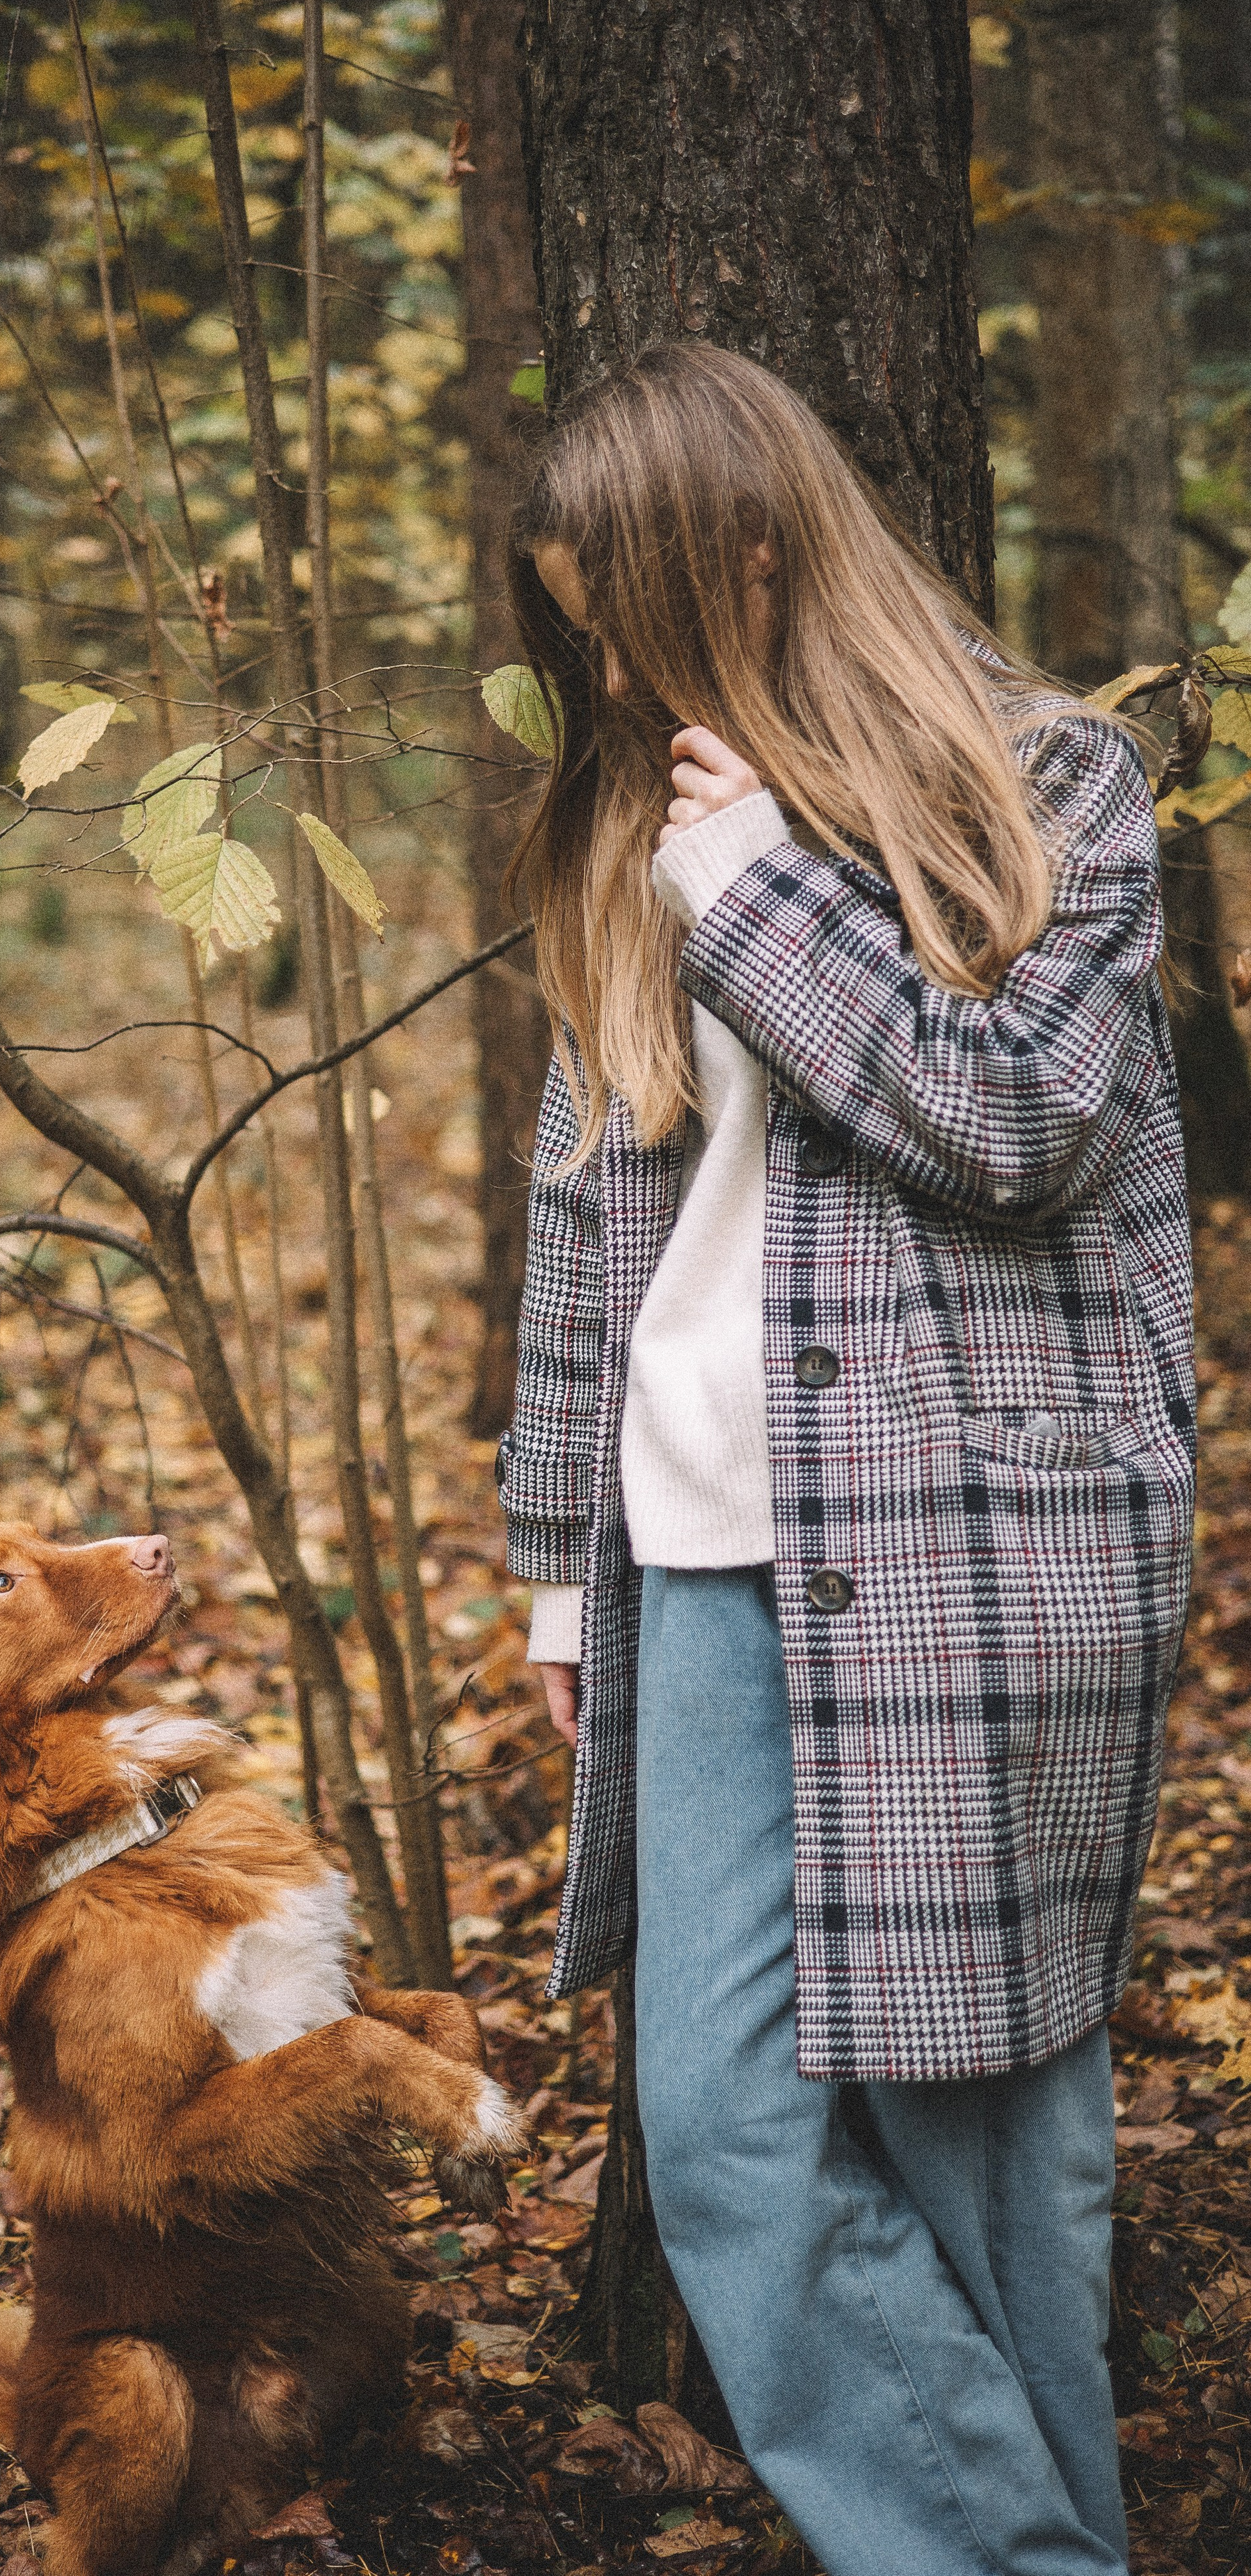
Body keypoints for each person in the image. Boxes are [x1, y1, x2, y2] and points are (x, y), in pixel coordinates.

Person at [493, 342, 1194, 2576]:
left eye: (631, 622)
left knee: (993, 2154)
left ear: (757, 557)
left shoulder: (1051, 783)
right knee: (720, 2135)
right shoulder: (640, 823)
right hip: (700, 1547)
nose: (612, 678)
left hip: (986, 1539)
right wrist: (555, 1561)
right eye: (582, 634)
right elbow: (590, 1211)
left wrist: (760, 895)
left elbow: (1018, 1121)